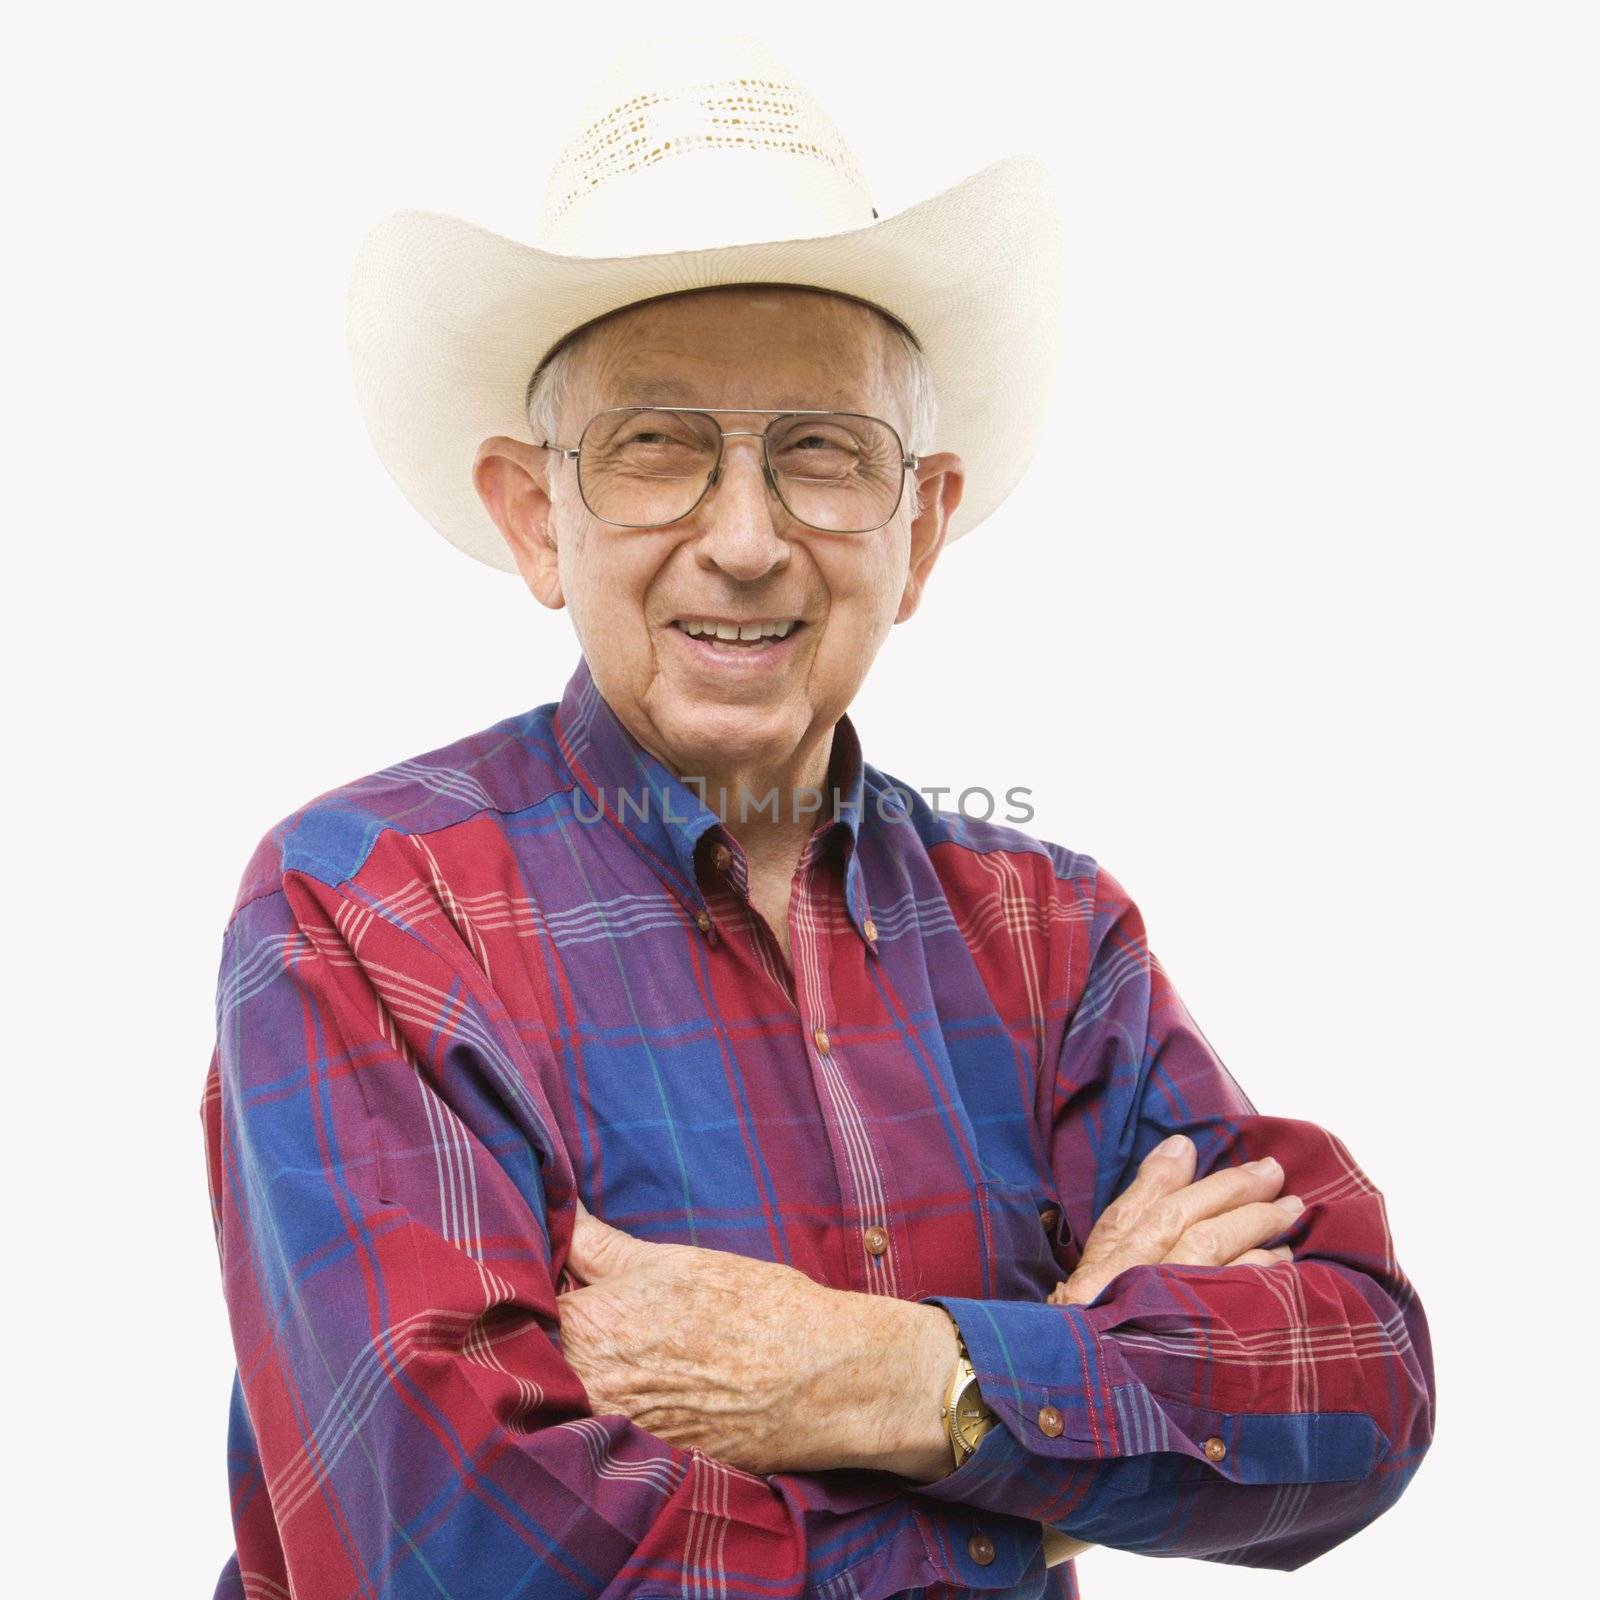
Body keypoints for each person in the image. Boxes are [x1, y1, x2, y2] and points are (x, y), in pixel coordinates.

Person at [200, 33, 1435, 1600]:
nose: (743, 539)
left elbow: (1359, 1381)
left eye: (821, 453)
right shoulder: (366, 907)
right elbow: (461, 1553)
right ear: (535, 517)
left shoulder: (1052, 936)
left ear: (917, 531)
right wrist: (1047, 1445)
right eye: (654, 448)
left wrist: (875, 1375)